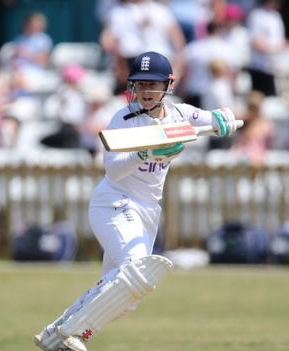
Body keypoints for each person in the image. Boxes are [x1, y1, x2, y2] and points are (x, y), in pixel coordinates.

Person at [33, 51, 239, 351]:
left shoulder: (182, 114)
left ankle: (56, 332)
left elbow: (214, 118)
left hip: (147, 210)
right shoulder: (124, 119)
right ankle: (73, 334)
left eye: (152, 85)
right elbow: (113, 169)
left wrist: (224, 120)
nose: (145, 91)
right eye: (140, 85)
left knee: (125, 297)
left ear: (168, 84)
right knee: (136, 272)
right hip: (115, 202)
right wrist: (146, 153)